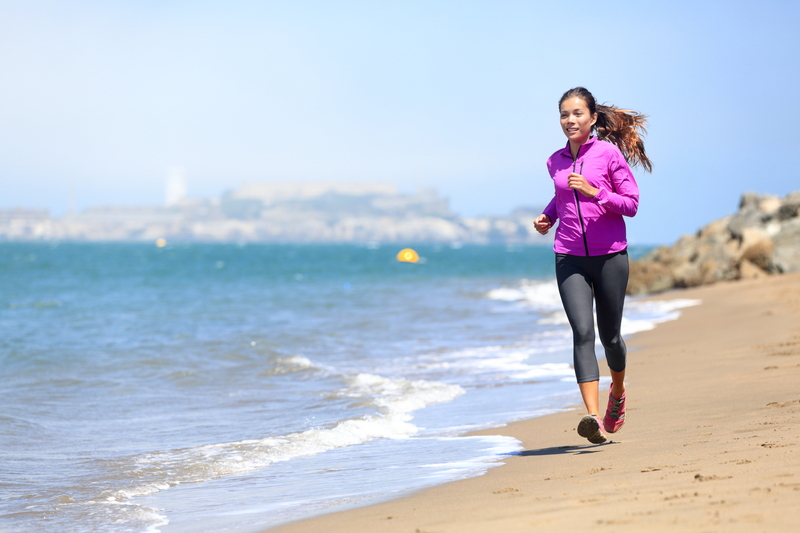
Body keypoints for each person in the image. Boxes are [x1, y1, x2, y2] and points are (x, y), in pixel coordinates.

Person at [533, 87, 652, 444]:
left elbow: (630, 204)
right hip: (569, 256)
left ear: (593, 118)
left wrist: (594, 192)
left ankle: (617, 391)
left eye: (577, 114)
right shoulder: (554, 160)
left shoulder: (608, 154)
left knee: (610, 336)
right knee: (582, 333)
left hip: (610, 256)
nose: (570, 120)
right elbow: (560, 195)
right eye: (564, 115)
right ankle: (593, 417)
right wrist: (548, 216)